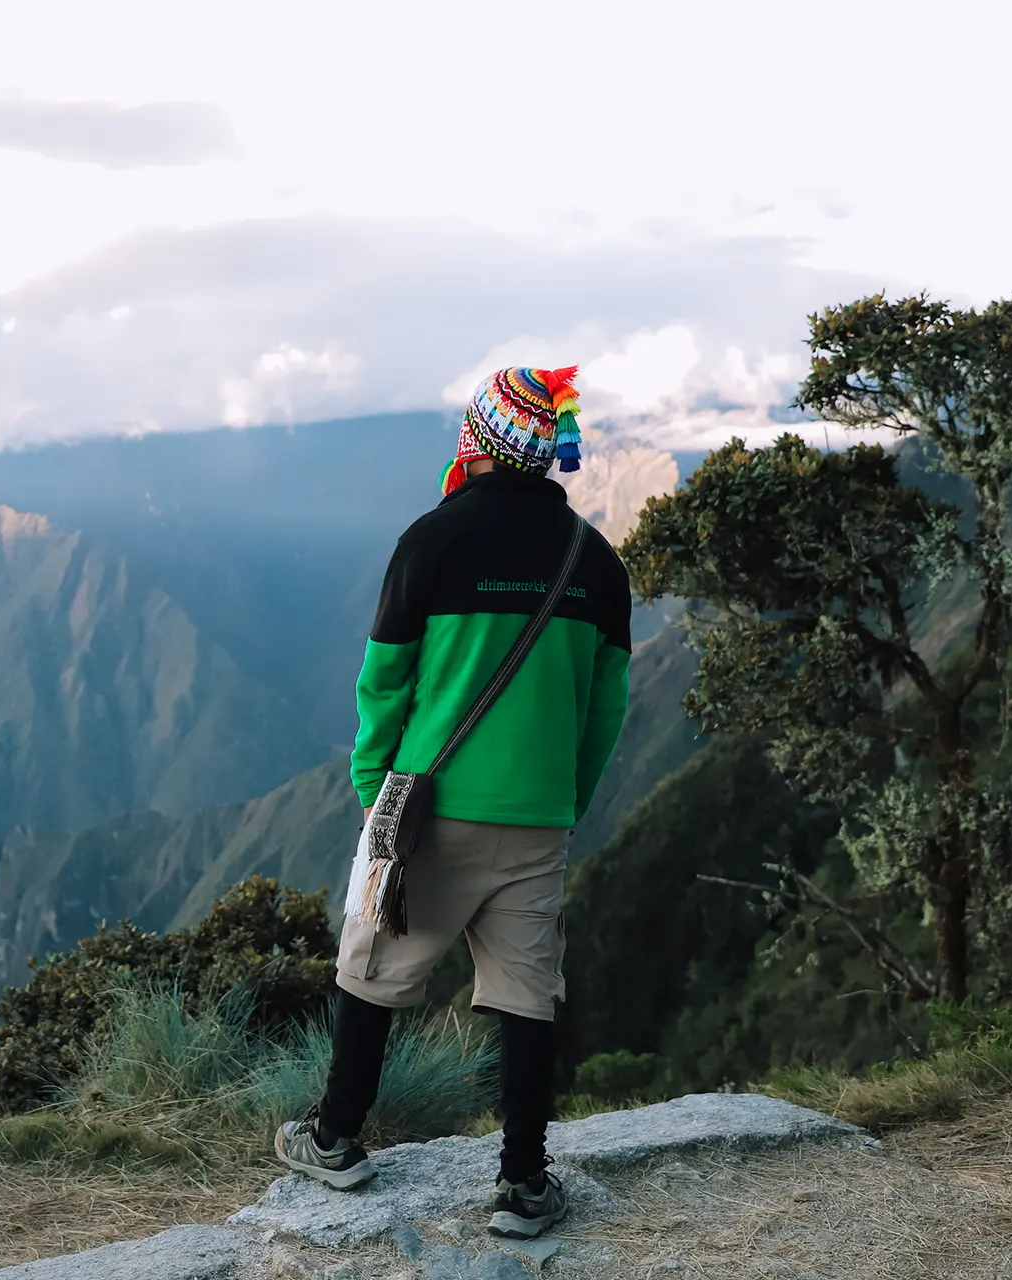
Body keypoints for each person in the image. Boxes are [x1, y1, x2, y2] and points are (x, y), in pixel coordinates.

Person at [274, 366, 632, 1240]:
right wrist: (564, 800)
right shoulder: (597, 561)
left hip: (430, 810)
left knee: (373, 967)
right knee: (526, 994)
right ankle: (521, 1184)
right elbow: (605, 711)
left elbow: (384, 680)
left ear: (480, 440)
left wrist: (373, 791)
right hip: (539, 815)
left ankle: (335, 1138)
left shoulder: (433, 540)